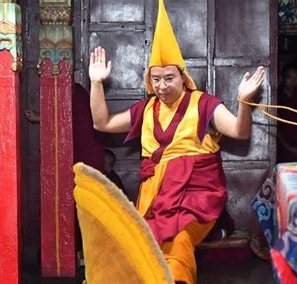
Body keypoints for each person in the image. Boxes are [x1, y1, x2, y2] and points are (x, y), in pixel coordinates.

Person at [87, 1, 264, 283]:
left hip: (198, 198)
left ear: (183, 77)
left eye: (169, 78)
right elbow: (102, 123)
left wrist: (244, 103)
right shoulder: (145, 110)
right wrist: (96, 83)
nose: (162, 86)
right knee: (143, 245)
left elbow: (239, 132)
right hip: (156, 199)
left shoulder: (203, 104)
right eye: (155, 80)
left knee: (180, 239)